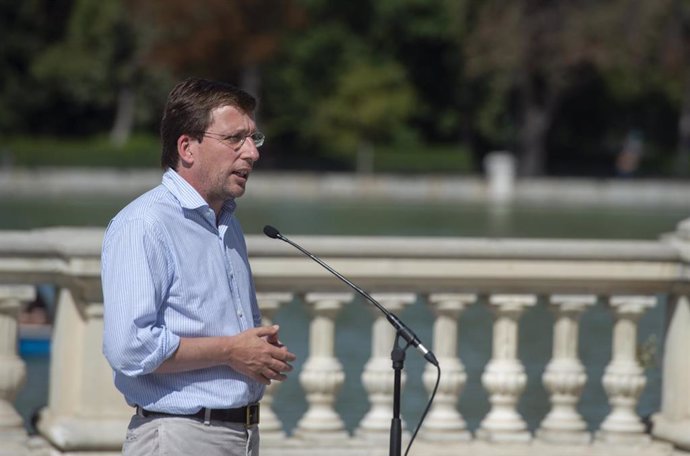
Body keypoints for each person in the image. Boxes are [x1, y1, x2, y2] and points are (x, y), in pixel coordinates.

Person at [101, 77, 296, 456]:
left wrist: (258, 352)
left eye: (253, 139)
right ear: (187, 147)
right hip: (179, 436)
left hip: (240, 434)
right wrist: (230, 350)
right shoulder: (144, 225)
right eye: (234, 139)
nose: (252, 154)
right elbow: (130, 348)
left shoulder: (227, 223)